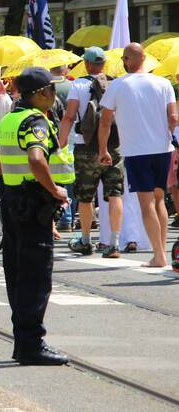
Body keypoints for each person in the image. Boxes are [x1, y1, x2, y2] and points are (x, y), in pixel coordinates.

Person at [0, 67, 70, 366]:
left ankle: (22, 341)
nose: (54, 95)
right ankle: (31, 344)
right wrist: (54, 190)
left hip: (12, 202)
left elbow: (0, 165)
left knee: (15, 273)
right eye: (51, 90)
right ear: (40, 94)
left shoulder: (9, 120)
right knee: (36, 276)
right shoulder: (35, 121)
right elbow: (36, 159)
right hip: (32, 205)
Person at [98, 43, 179, 267]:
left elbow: (105, 121)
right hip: (163, 149)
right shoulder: (164, 83)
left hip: (137, 151)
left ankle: (159, 255)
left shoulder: (118, 85)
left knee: (146, 204)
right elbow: (174, 118)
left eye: (125, 58)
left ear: (129, 59)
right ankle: (160, 252)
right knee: (160, 200)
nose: (123, 62)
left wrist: (103, 149)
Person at [58, 46, 125, 257]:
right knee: (115, 193)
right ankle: (113, 243)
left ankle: (86, 241)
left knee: (85, 197)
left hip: (85, 146)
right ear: (103, 64)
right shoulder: (115, 83)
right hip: (114, 146)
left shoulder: (77, 84)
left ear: (86, 64)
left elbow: (69, 117)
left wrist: (59, 143)